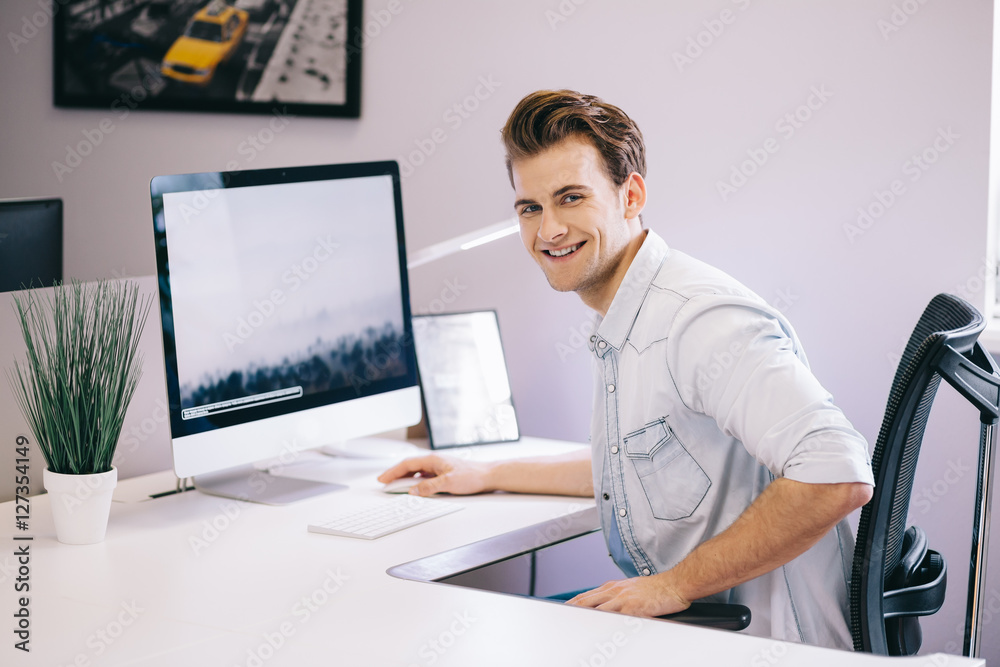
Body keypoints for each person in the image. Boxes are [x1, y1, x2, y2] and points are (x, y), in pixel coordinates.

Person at [379, 89, 874, 649]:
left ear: (630, 193)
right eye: (530, 207)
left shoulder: (698, 319)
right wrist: (486, 475)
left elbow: (837, 473)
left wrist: (674, 585)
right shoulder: (629, 314)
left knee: (450, 639)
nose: (548, 231)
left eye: (570, 198)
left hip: (762, 642)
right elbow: (635, 467)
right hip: (704, 627)